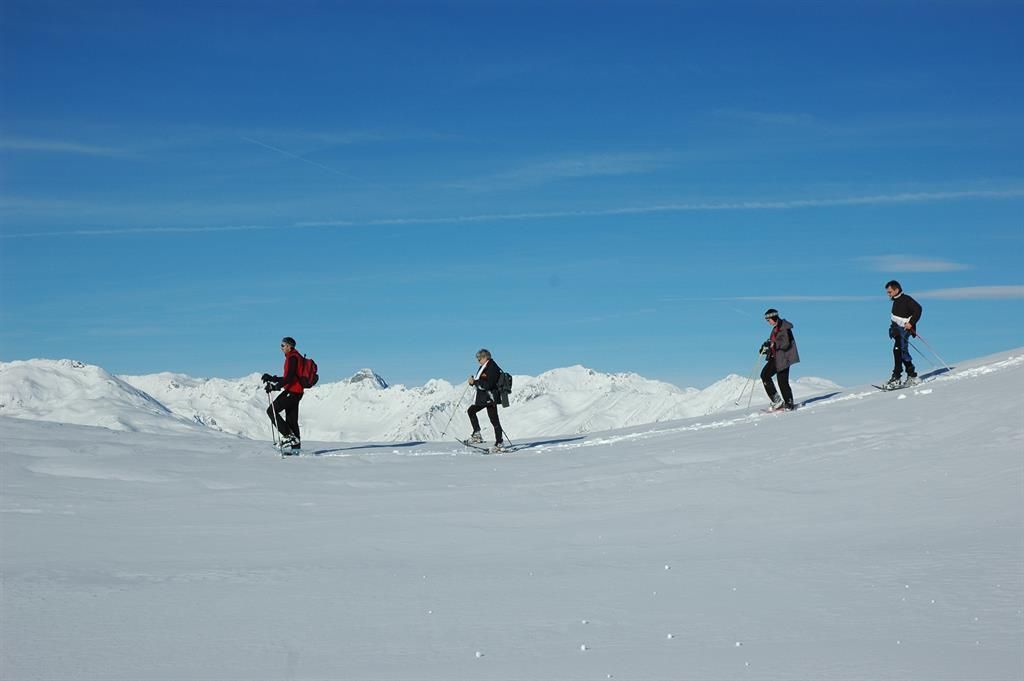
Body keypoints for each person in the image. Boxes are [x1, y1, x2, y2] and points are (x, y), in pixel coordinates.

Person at [262, 336, 304, 450]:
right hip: (296, 392)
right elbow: (289, 377)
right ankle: (296, 448)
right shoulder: (295, 357)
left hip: (292, 391)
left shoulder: (292, 358)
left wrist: (275, 387)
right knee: (291, 420)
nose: (281, 347)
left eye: (283, 345)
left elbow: (289, 378)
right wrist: (273, 378)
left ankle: (288, 436)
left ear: (289, 346)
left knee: (271, 411)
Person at [884, 280, 923, 389]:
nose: (888, 294)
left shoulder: (906, 299)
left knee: (898, 350)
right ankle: (912, 375)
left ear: (896, 290)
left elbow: (918, 309)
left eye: (890, 292)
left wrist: (911, 323)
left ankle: (897, 377)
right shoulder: (896, 301)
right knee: (900, 351)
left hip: (904, 330)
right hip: (897, 331)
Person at [759, 308, 800, 411]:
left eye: (768, 320)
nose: (768, 322)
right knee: (765, 375)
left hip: (784, 358)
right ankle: (777, 401)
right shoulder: (775, 329)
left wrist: (772, 344)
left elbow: (785, 343)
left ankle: (789, 404)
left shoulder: (784, 327)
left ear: (773, 317)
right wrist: (765, 349)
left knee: (782, 381)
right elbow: (773, 344)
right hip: (776, 358)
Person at [466, 348, 505, 452]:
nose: (478, 361)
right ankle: (477, 434)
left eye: (479, 359)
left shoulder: (492, 367)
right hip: (484, 398)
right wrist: (473, 382)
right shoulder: (484, 367)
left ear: (485, 357)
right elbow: (482, 382)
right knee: (471, 411)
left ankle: (499, 443)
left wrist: (475, 382)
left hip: (490, 398)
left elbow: (488, 384)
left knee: (494, 420)